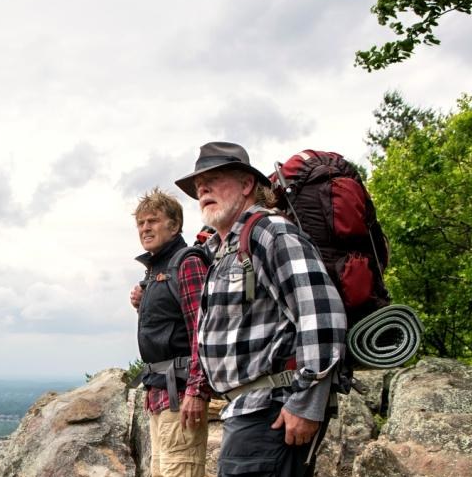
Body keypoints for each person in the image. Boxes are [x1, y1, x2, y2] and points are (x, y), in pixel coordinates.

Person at [174, 142, 347, 477]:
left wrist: (307, 404)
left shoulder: (269, 232)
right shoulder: (225, 248)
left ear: (246, 185)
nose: (203, 190)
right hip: (249, 411)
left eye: (214, 179)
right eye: (198, 187)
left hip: (272, 411)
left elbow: (321, 314)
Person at [130, 188, 211, 477]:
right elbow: (169, 324)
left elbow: (202, 331)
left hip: (180, 395)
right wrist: (143, 304)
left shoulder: (187, 262)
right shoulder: (156, 270)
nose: (145, 228)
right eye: (140, 223)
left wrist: (196, 391)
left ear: (174, 225)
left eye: (153, 220)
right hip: (160, 394)